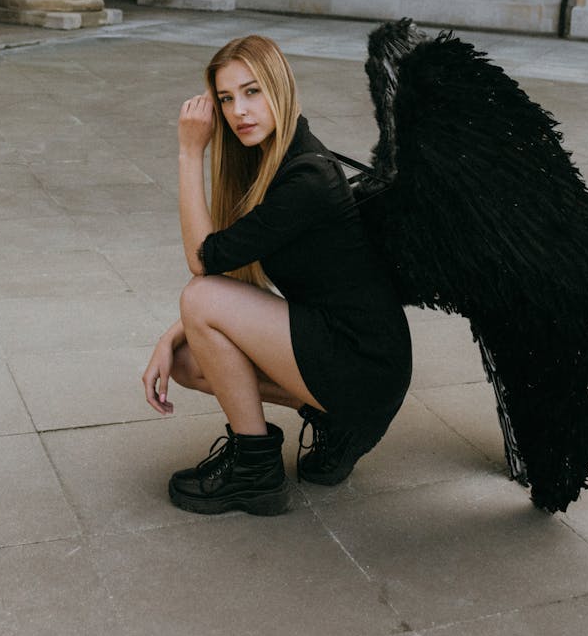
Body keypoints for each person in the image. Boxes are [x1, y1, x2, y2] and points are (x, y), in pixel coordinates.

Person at [141, 34, 412, 516]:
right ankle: (334, 422)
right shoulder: (274, 161)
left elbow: (204, 262)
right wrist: (168, 338)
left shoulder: (306, 178)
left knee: (199, 296)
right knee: (185, 360)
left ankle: (255, 472)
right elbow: (243, 282)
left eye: (252, 92)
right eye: (226, 98)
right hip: (340, 346)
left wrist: (188, 154)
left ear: (280, 89)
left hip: (363, 360)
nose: (238, 111)